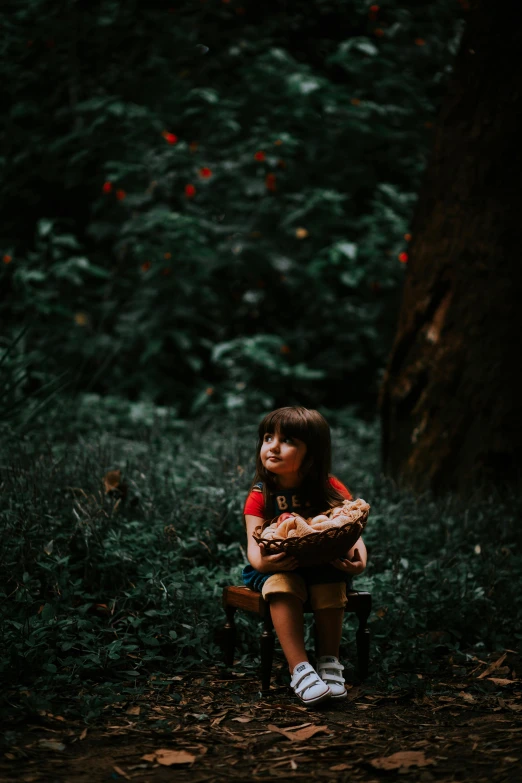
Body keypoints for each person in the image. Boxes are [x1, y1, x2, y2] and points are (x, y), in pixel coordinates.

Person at [242, 406, 367, 707]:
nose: (272, 446)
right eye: (268, 438)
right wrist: (265, 563)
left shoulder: (329, 487)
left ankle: (329, 662)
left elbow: (351, 529)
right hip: (277, 566)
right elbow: (253, 547)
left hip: (322, 564)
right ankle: (299, 668)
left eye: (287, 441)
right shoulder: (262, 494)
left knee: (330, 583)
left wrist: (359, 560)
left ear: (313, 453)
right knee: (281, 586)